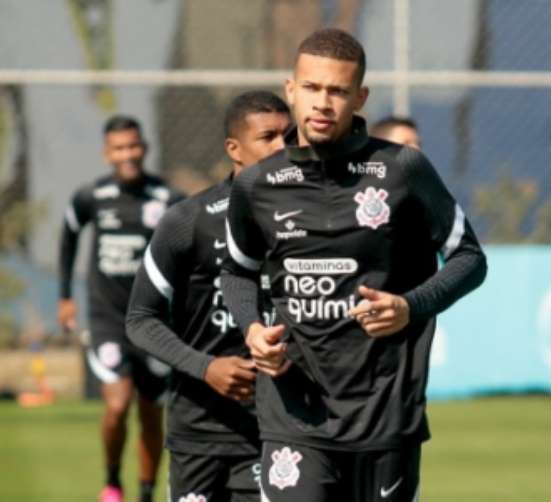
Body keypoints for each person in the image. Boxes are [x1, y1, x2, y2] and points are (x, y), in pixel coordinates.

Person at [221, 29, 487, 502]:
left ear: (359, 97)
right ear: (291, 89)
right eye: (312, 88)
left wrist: (410, 305)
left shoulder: (403, 170)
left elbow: (469, 258)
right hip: (293, 417)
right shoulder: (257, 185)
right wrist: (252, 330)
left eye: (338, 91)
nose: (323, 102)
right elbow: (238, 271)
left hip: (384, 416)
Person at [125, 91, 291, 501]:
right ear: (234, 149)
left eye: (289, 135)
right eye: (268, 137)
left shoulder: (312, 220)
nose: (283, 148)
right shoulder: (188, 221)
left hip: (276, 433)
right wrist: (206, 367)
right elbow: (141, 319)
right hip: (198, 433)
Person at [58, 115, 183, 502]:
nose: (127, 154)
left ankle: (146, 492)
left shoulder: (168, 199)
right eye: (119, 148)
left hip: (155, 319)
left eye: (133, 146)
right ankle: (112, 481)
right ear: (107, 152)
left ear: (143, 147)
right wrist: (65, 296)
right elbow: (68, 237)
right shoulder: (90, 197)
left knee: (150, 410)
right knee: (116, 404)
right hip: (107, 318)